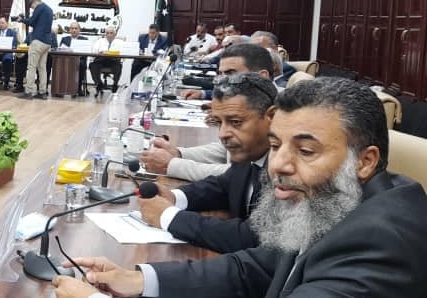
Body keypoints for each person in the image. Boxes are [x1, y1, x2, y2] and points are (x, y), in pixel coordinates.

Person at [52, 77, 427, 298]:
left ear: (365, 161)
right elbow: (256, 268)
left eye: (306, 150)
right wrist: (139, 280)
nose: (278, 165)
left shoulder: (380, 245)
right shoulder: (334, 203)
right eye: (276, 145)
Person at [138, 72, 275, 254]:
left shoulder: (288, 167)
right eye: (219, 123)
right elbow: (223, 186)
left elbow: (252, 237)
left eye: (235, 122)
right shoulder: (250, 152)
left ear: (271, 117)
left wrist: (168, 216)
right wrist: (175, 197)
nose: (223, 134)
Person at [149, 43, 277, 182]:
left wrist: (173, 165)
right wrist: (179, 153)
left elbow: (249, 172)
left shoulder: (285, 113)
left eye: (231, 74)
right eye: (220, 74)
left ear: (262, 77)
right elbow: (225, 151)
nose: (223, 81)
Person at [17, 0, 54, 100]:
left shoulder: (39, 7)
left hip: (38, 41)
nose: (33, 9)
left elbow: (32, 21)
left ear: (35, 2)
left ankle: (29, 91)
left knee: (31, 66)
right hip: (47, 42)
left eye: (32, 7)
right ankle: (42, 92)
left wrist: (22, 20)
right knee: (42, 68)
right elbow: (38, 22)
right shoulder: (49, 9)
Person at [58, 21, 90, 95]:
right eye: (72, 28)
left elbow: (86, 52)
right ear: (70, 30)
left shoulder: (84, 39)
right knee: (59, 64)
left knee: (81, 65)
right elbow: (60, 50)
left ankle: (78, 88)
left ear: (79, 30)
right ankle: (60, 88)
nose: (74, 30)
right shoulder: (64, 39)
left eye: (76, 28)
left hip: (79, 60)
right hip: (67, 60)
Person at [89, 26, 122, 94]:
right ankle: (99, 83)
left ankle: (115, 84)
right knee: (92, 65)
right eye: (107, 33)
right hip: (101, 60)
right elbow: (94, 52)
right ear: (105, 34)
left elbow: (122, 54)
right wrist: (100, 53)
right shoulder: (99, 41)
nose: (109, 35)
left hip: (113, 60)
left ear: (115, 34)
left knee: (119, 65)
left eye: (111, 33)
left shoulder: (120, 42)